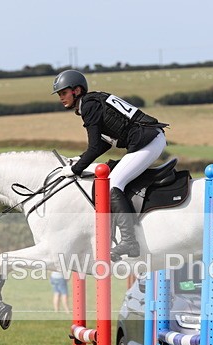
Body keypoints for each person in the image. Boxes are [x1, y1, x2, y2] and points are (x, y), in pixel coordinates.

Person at [51, 69, 168, 261]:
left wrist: (74, 169)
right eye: (59, 94)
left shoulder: (88, 105)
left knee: (113, 183)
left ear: (77, 90)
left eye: (63, 93)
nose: (61, 98)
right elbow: (104, 143)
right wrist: (79, 160)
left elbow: (95, 145)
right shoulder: (92, 101)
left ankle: (130, 241)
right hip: (148, 139)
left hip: (149, 141)